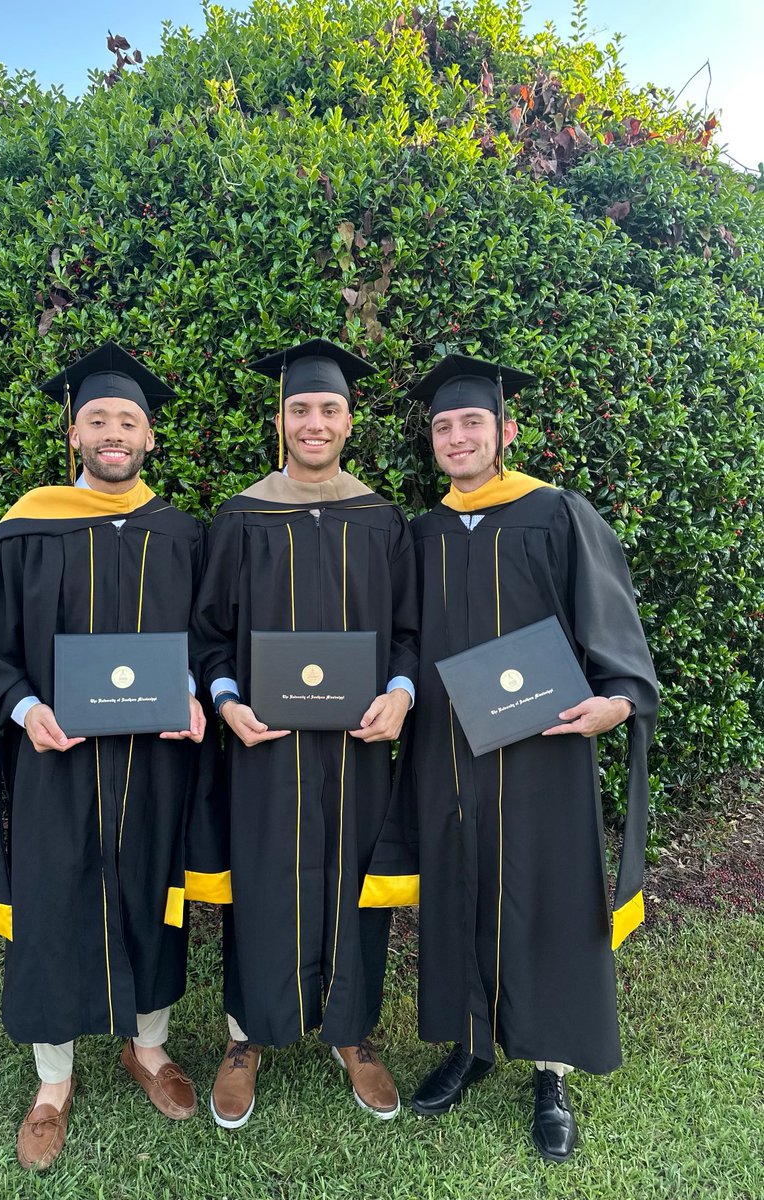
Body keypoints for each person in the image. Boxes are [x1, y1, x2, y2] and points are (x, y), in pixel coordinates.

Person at [0, 342, 224, 1170]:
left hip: (154, 762)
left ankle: (147, 1048)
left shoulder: (180, 533)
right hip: (58, 762)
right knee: (51, 908)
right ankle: (52, 1083)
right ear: (73, 433)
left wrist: (189, 689)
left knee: (153, 892)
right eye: (99, 420)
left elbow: (202, 638)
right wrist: (27, 709)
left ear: (150, 440)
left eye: (130, 421)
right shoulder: (27, 531)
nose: (114, 433)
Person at [402, 353, 658, 1161]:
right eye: (444, 426)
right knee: (459, 891)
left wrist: (615, 701)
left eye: (472, 422)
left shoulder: (557, 513)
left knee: (546, 899)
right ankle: (472, 1044)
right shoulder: (421, 534)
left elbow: (610, 626)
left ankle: (550, 1071)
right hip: (448, 747)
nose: (458, 437)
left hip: (544, 751)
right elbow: (405, 637)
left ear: (505, 431)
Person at [192, 339, 419, 1128]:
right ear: (280, 418)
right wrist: (224, 700)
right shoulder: (241, 516)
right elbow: (209, 634)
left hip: (357, 746)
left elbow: (408, 631)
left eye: (328, 410)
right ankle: (246, 1037)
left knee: (355, 877)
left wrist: (400, 691)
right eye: (300, 410)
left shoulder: (381, 519)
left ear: (349, 421)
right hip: (264, 744)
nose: (313, 423)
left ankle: (352, 1033)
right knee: (260, 877)